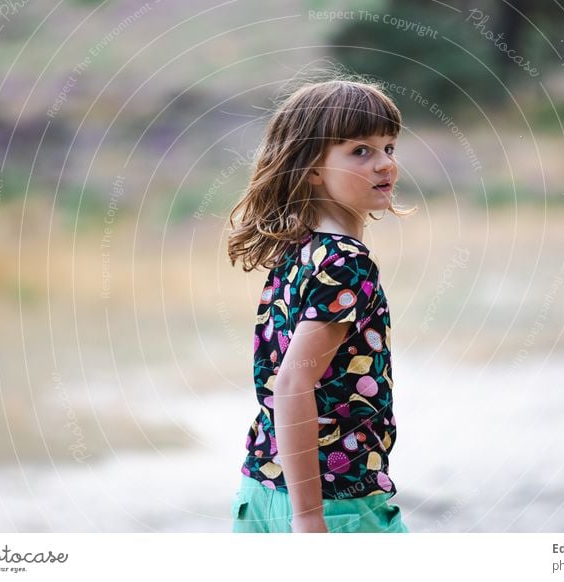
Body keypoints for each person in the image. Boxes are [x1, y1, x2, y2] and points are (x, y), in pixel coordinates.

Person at [226, 77, 417, 533]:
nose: (384, 164)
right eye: (360, 151)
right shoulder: (346, 264)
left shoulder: (300, 250)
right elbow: (293, 383)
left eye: (389, 147)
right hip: (334, 499)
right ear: (313, 167)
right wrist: (309, 518)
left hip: (262, 489)